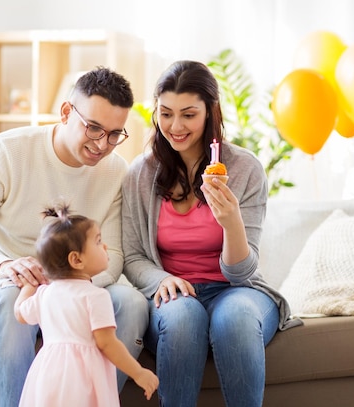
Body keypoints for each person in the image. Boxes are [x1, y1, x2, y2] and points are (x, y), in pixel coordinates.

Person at [0, 66, 149, 407]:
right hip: (2, 290)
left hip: (74, 295)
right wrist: (6, 266)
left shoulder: (115, 171)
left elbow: (113, 259)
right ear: (66, 112)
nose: (102, 145)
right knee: (10, 299)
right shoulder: (7, 152)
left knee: (132, 303)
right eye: (93, 128)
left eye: (114, 134)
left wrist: (61, 287)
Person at [121, 60, 302, 407]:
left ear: (210, 111)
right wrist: (160, 279)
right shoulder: (141, 175)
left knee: (233, 320)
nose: (175, 126)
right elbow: (132, 255)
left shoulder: (244, 169)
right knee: (183, 318)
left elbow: (241, 271)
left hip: (236, 290)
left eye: (189, 114)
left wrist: (231, 220)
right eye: (166, 113)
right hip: (174, 295)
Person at [14, 203, 158, 406]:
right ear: (77, 260)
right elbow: (107, 343)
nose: (105, 246)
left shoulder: (45, 294)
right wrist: (138, 372)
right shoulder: (95, 296)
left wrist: (29, 285)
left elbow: (20, 313)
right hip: (82, 377)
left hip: (48, 374)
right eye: (98, 242)